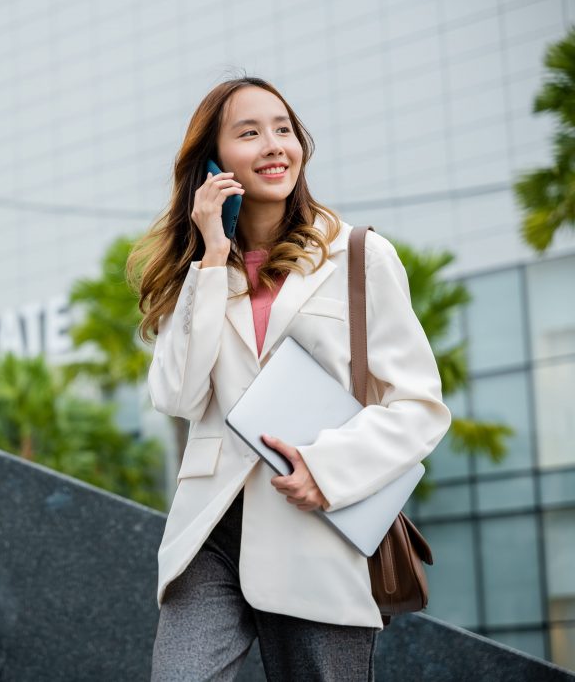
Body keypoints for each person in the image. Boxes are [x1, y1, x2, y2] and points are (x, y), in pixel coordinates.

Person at [128, 76, 452, 681]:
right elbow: (176, 395)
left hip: (313, 524)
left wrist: (326, 472)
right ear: (212, 162)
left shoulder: (359, 257)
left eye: (283, 129)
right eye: (249, 133)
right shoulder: (202, 269)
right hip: (210, 529)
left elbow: (419, 406)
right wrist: (212, 256)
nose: (274, 145)